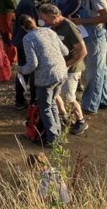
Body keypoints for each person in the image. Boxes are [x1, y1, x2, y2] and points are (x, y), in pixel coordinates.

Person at [18, 14, 68, 147]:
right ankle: (57, 135)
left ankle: (52, 139)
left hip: (46, 77)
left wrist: (20, 69)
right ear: (34, 21)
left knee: (46, 107)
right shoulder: (49, 31)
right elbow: (65, 51)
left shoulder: (28, 38)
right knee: (52, 104)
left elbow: (32, 64)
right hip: (61, 72)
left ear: (23, 27)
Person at [66, 0, 107, 115]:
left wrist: (81, 21)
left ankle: (90, 105)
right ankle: (104, 100)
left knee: (94, 72)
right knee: (101, 69)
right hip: (90, 35)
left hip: (96, 37)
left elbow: (106, 17)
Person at [39, 3, 88, 136]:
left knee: (68, 97)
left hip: (71, 68)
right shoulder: (52, 26)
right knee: (55, 95)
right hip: (58, 68)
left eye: (46, 19)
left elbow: (83, 51)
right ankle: (63, 116)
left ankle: (81, 121)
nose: (45, 22)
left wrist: (68, 65)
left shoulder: (69, 27)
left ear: (55, 16)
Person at [14, 0, 48, 109]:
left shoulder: (26, 1)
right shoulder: (28, 5)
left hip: (21, 40)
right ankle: (31, 100)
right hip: (26, 41)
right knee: (31, 70)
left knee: (24, 70)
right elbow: (32, 25)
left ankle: (20, 99)